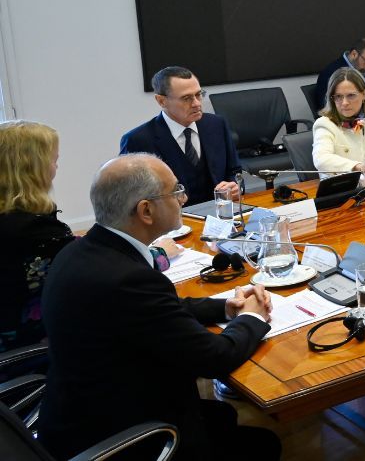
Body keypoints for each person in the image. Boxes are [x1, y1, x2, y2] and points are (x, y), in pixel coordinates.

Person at [39, 154, 279, 461]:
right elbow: (215, 358)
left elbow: (160, 310)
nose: (184, 198)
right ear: (146, 210)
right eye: (175, 190)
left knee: (221, 417)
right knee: (263, 445)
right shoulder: (128, 279)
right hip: (125, 436)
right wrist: (252, 316)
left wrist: (226, 309)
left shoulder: (83, 250)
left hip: (80, 413)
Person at [0, 121, 75, 355]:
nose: (56, 168)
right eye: (54, 160)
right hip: (33, 349)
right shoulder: (36, 232)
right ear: (34, 169)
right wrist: (159, 254)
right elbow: (91, 276)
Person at [120, 66, 242, 205]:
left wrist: (234, 187)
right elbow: (131, 196)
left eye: (198, 94)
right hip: (171, 222)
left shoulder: (216, 125)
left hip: (218, 215)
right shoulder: (138, 140)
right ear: (161, 101)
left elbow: (234, 171)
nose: (196, 103)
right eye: (186, 98)